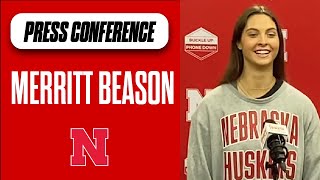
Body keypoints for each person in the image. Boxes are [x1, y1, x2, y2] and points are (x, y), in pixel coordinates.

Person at [187, 5, 320, 180]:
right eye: (253, 34)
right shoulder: (211, 107)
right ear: (239, 42)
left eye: (271, 34)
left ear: (280, 42)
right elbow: (198, 174)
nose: (263, 41)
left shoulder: (302, 107)